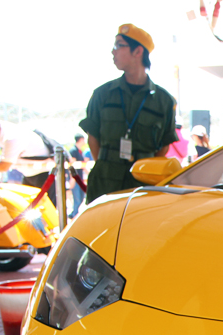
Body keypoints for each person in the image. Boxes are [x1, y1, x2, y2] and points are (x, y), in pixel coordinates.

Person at [79, 24, 178, 203]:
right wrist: (106, 164)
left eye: (119, 45)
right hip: (104, 183)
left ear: (138, 51)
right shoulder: (103, 94)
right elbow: (93, 137)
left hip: (142, 186)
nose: (113, 51)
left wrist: (146, 170)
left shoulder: (164, 101)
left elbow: (164, 146)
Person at [69, 134, 92, 218]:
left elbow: (83, 165)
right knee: (77, 200)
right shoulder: (73, 151)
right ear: (80, 139)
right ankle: (74, 216)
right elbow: (72, 165)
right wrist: (72, 179)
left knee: (81, 199)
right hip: (75, 179)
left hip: (80, 179)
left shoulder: (80, 151)